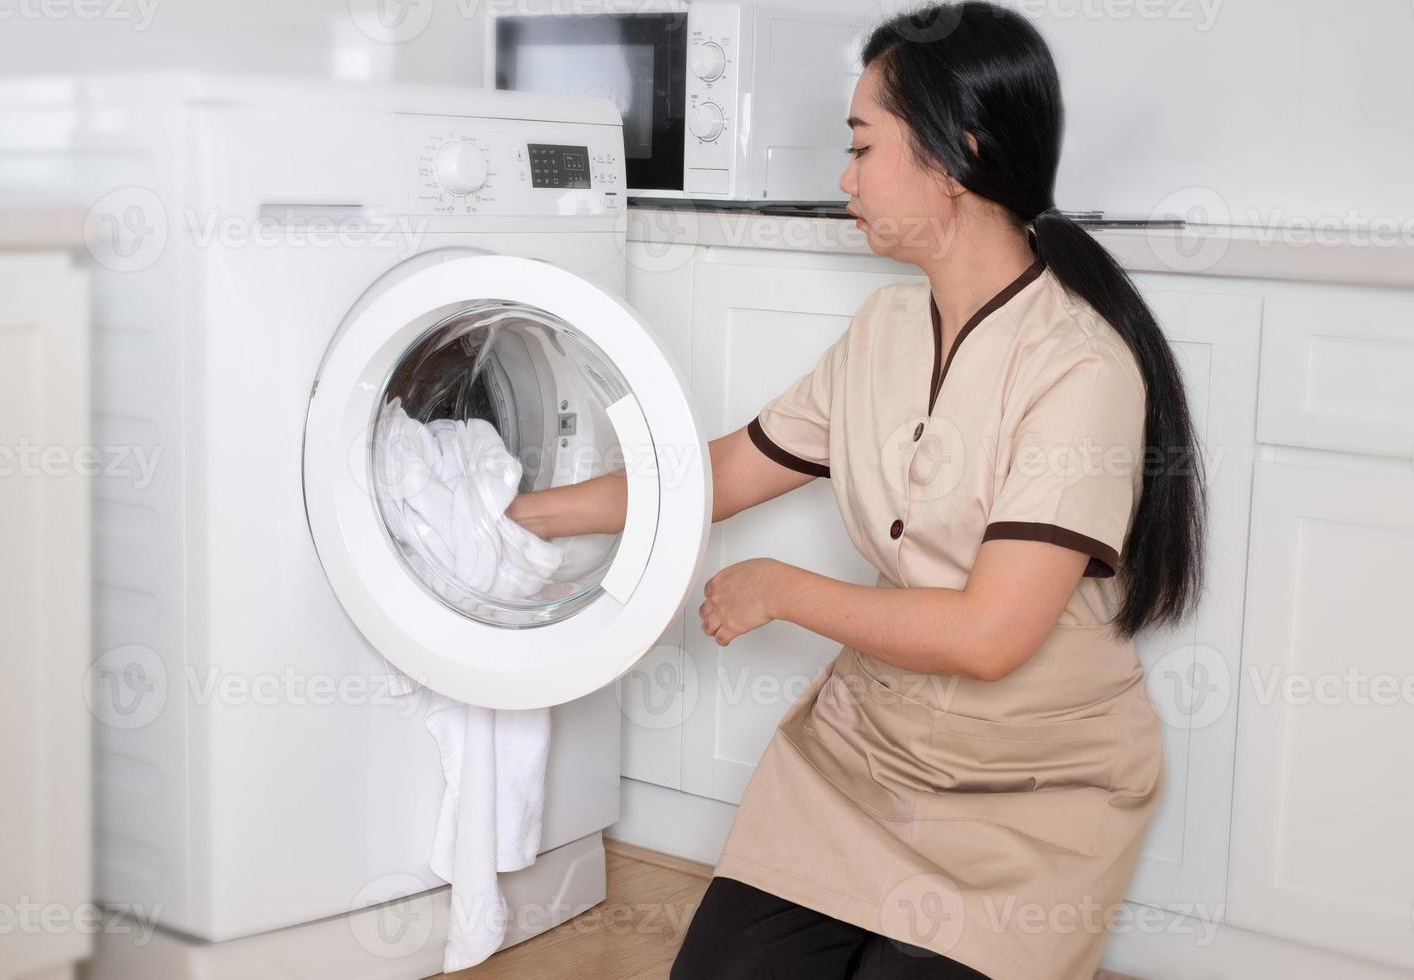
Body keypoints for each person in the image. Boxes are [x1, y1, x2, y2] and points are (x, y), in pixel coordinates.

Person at [508, 3, 1206, 977]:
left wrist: (783, 590)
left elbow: (989, 634)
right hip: (863, 765)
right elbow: (713, 474)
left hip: (1033, 795)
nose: (845, 176)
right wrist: (519, 513)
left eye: (863, 144)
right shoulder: (884, 330)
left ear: (953, 151)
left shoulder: (1080, 367)